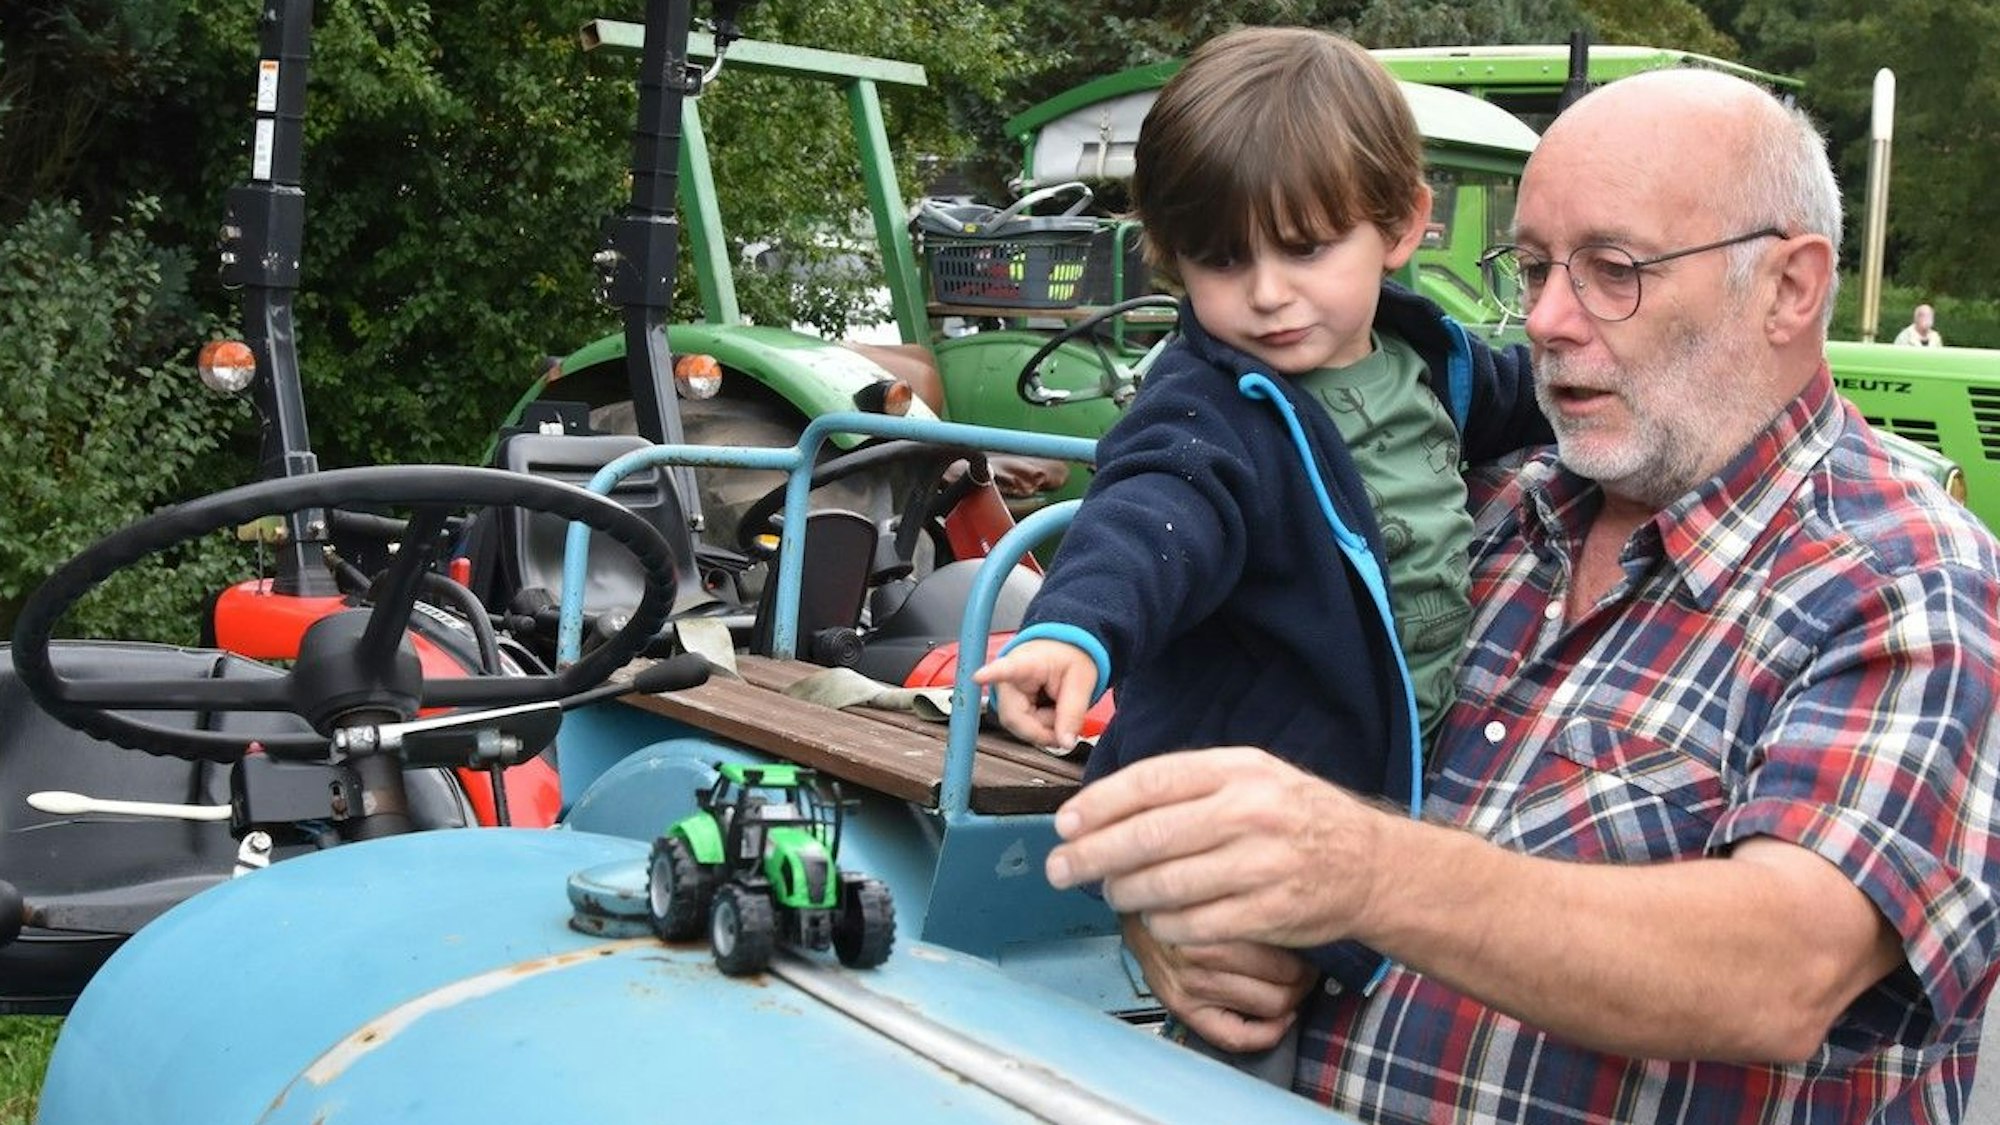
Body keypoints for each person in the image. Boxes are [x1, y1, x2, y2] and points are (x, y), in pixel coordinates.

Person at [1043, 66, 2000, 1123]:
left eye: (1610, 269)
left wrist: (1358, 874)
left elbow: (1785, 969)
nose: (1544, 318)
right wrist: (1182, 922)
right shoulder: (1476, 498)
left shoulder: (1903, 581)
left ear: (1786, 288)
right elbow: (1215, 688)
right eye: (1533, 266)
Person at [972, 26, 1550, 1072]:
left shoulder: (1437, 363)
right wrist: (1072, 630)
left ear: (1400, 226)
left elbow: (1545, 400)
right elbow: (1151, 516)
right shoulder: (1209, 409)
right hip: (1252, 799)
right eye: (1224, 259)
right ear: (1173, 258)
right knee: (1246, 1037)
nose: (1269, 293)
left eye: (1305, 248)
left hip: (1373, 783)